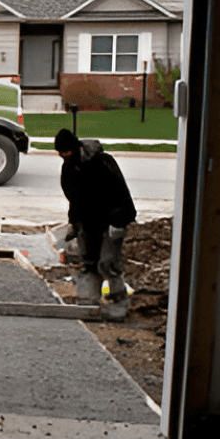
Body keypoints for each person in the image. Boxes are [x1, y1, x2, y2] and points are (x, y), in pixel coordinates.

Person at [54, 128, 137, 320]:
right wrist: (74, 223)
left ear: (75, 147)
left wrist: (120, 221)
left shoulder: (102, 162)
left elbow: (121, 192)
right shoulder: (69, 168)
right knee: (89, 262)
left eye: (67, 151)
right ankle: (88, 303)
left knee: (108, 264)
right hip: (88, 222)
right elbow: (74, 199)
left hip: (112, 221)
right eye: (61, 153)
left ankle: (119, 304)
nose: (64, 156)